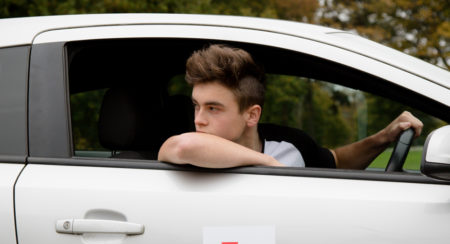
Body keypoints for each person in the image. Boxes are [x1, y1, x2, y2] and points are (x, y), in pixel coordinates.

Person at [158, 44, 423, 169]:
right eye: (196, 106)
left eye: (213, 108)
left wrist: (384, 137)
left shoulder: (289, 144)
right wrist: (268, 164)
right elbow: (183, 147)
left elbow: (338, 161)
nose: (199, 119)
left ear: (252, 115)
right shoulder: (189, 143)